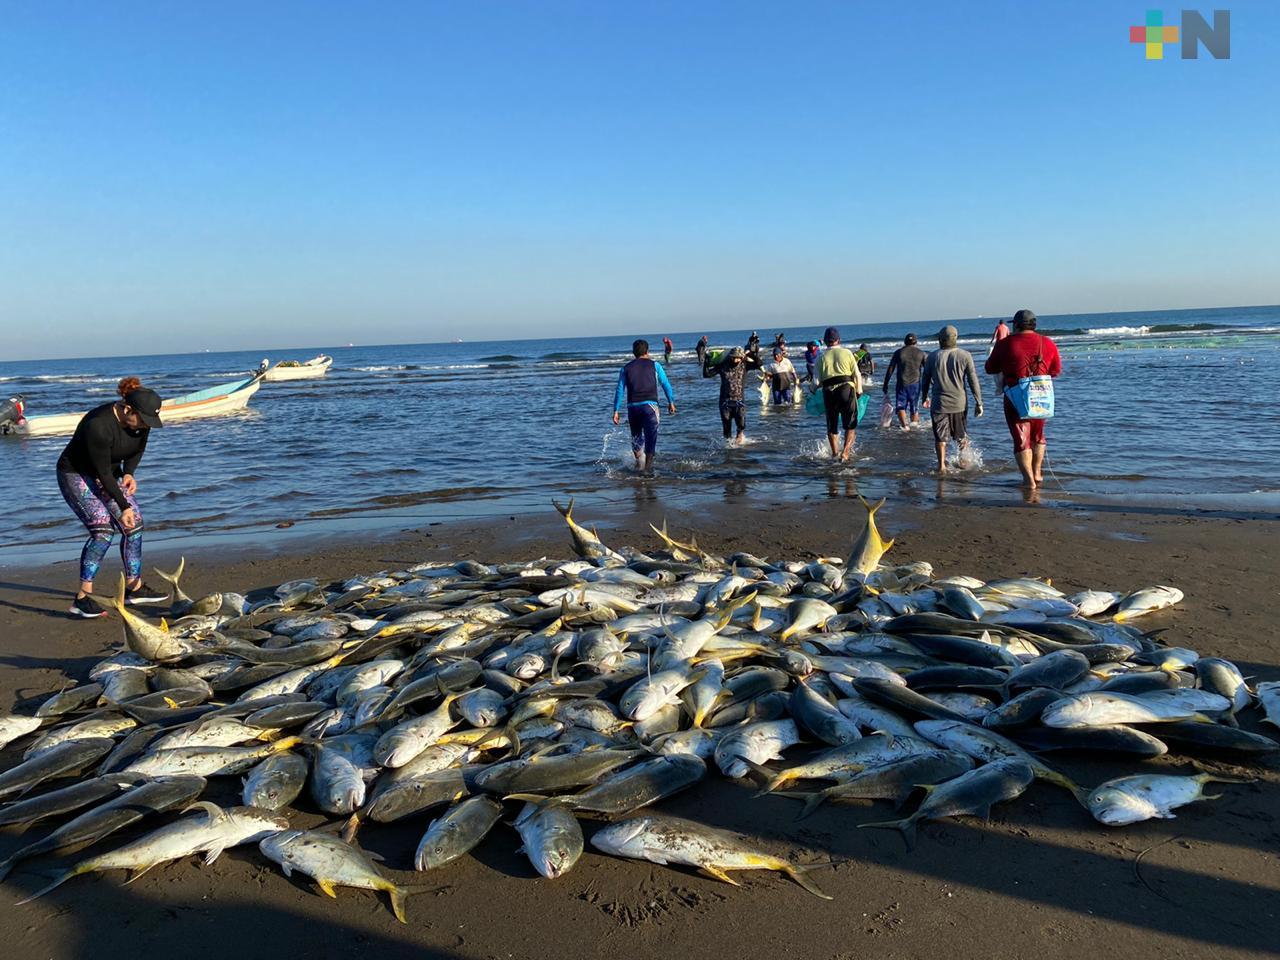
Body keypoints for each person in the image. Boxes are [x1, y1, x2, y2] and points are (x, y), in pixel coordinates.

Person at [56, 376, 168, 618]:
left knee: (134, 526)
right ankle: (82, 598)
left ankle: (134, 588)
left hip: (109, 473)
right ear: (127, 410)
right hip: (77, 474)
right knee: (103, 531)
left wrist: (129, 473)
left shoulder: (142, 421)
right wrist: (123, 505)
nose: (145, 426)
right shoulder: (98, 425)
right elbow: (103, 473)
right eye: (142, 420)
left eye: (149, 422)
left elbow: (137, 449)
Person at [985, 309, 1062, 490]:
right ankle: (1037, 472)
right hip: (1041, 394)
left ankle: (1028, 480)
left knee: (1021, 438)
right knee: (1038, 435)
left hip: (1015, 394)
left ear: (1017, 325)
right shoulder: (1047, 342)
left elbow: (990, 368)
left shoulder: (1005, 344)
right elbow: (1056, 370)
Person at [920, 326, 983, 474]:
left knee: (940, 437)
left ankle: (941, 466)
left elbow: (925, 380)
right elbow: (973, 380)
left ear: (940, 339)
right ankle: (963, 462)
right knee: (961, 435)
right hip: (959, 403)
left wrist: (924, 397)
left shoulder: (932, 357)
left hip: (939, 403)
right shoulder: (965, 355)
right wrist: (979, 402)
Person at [612, 339, 676, 473]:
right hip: (650, 407)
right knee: (650, 438)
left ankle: (638, 465)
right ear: (647, 351)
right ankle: (647, 470)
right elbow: (665, 384)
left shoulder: (625, 368)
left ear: (633, 353)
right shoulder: (655, 365)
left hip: (633, 408)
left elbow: (619, 390)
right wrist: (671, 401)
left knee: (636, 438)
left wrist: (616, 410)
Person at [817, 326, 862, 461]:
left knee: (832, 425)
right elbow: (857, 374)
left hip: (829, 392)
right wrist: (859, 390)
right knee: (850, 424)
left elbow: (816, 381)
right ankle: (845, 453)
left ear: (825, 341)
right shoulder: (847, 353)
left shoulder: (821, 357)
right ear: (839, 340)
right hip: (846, 390)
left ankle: (835, 453)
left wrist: (812, 391)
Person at [704, 345, 762, 444]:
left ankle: (739, 436)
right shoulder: (723, 366)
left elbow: (759, 363)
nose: (736, 360)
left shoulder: (745, 365)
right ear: (730, 356)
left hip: (739, 401)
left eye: (738, 358)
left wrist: (750, 354)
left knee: (741, 425)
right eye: (734, 357)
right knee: (727, 429)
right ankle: (729, 446)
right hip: (725, 402)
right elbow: (707, 374)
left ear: (742, 357)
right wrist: (706, 361)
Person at [881, 333, 928, 428]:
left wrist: (885, 383)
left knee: (901, 406)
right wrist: (931, 383)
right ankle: (914, 426)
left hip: (902, 384)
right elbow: (928, 371)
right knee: (914, 407)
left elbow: (890, 369)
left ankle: (905, 427)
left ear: (905, 342)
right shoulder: (921, 353)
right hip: (916, 385)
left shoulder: (898, 353)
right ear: (916, 342)